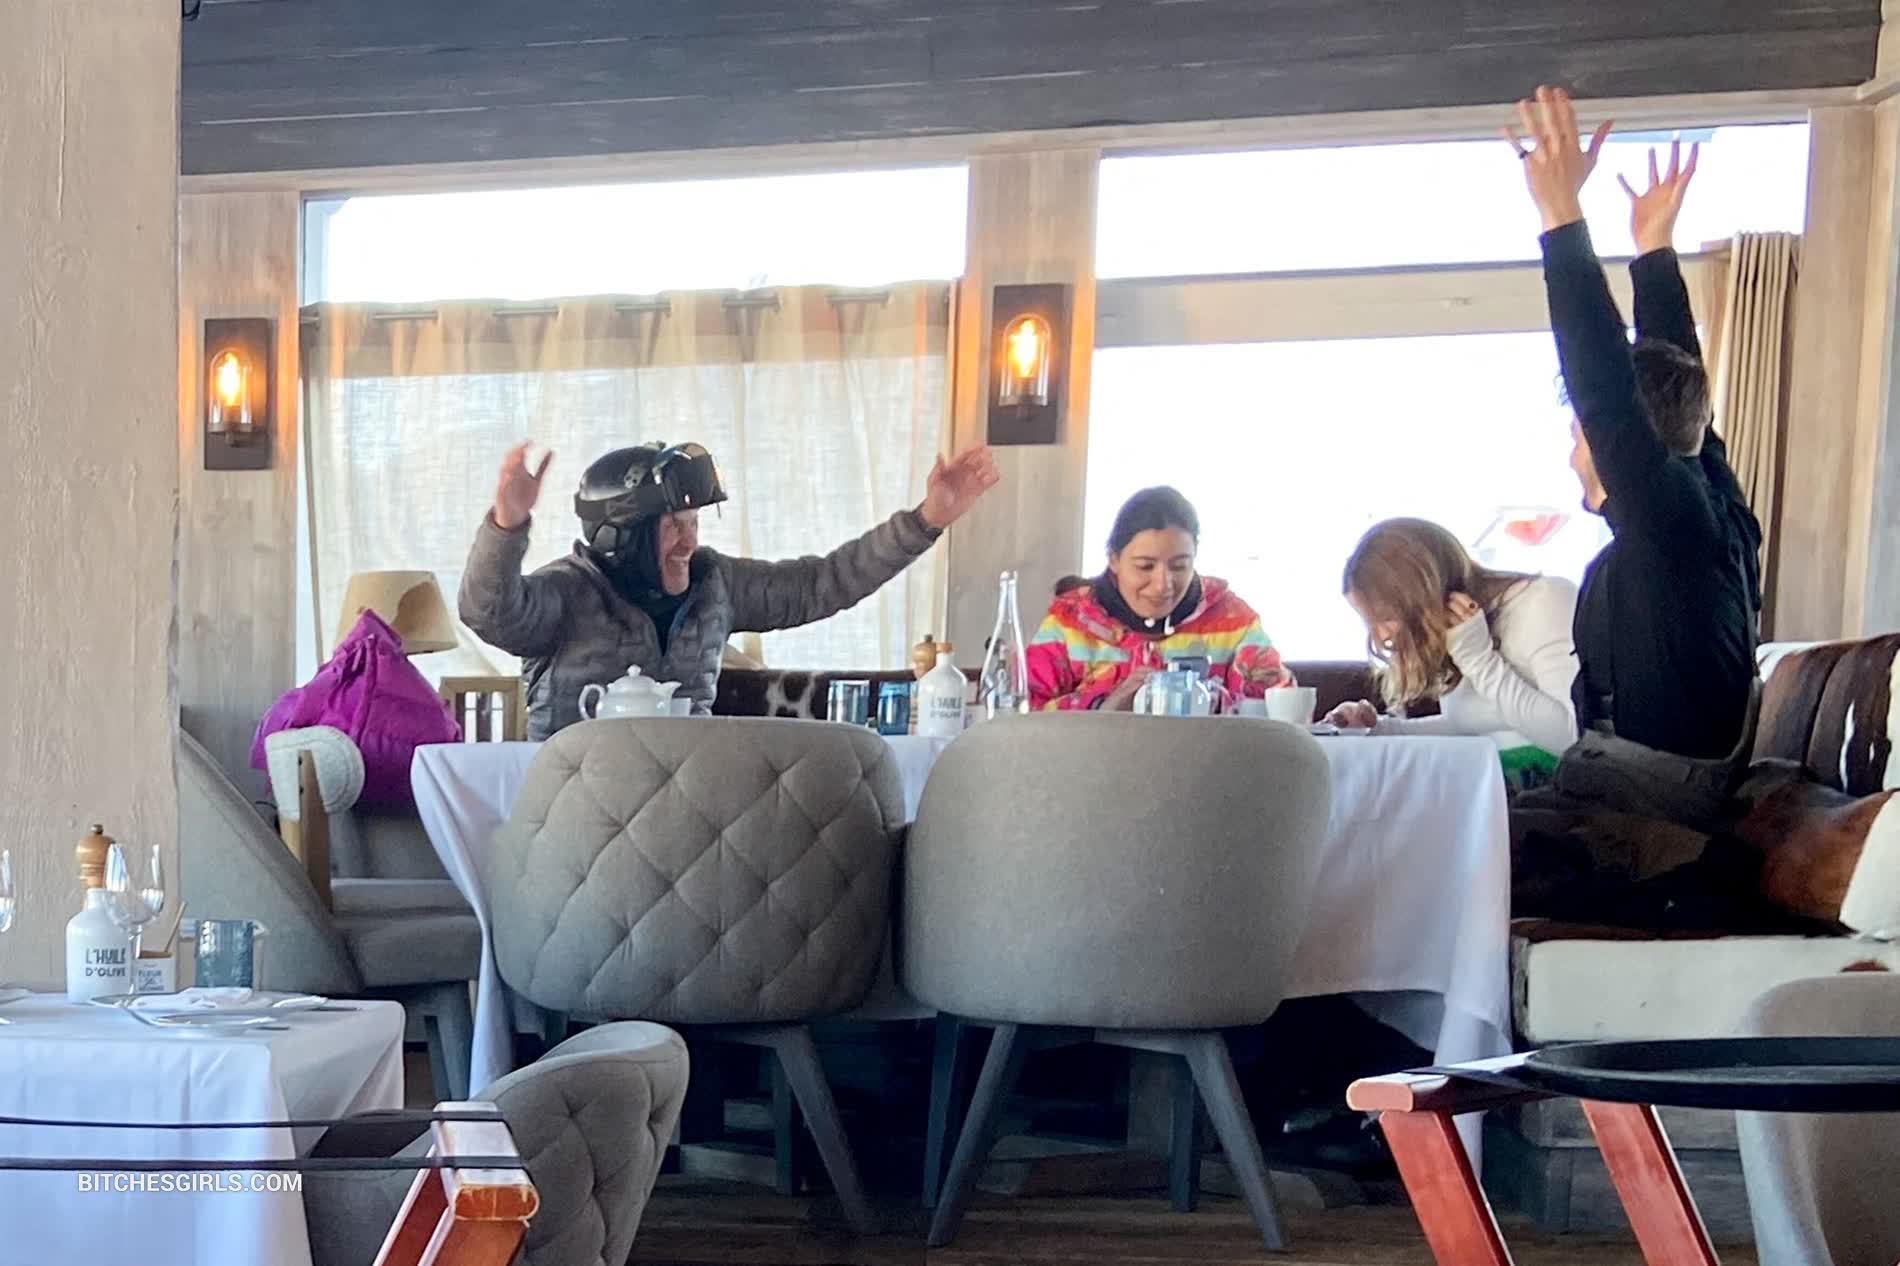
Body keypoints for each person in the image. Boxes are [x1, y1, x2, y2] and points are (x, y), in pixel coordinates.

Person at [1505, 87, 1773, 929]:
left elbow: (1609, 385)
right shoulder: (1708, 501)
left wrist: (1561, 218)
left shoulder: (1675, 527)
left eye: (1583, 436)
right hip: (1620, 788)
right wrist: (1653, 251)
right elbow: (1676, 384)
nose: (1576, 450)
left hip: (1646, 812)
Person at [460, 439, 1000, 739]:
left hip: (689, 809)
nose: (689, 541)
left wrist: (927, 519)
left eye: (694, 522)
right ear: (619, 535)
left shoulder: (716, 583)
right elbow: (487, 611)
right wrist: (507, 526)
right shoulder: (566, 594)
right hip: (574, 811)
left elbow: (823, 583)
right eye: (672, 525)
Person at [1327, 519, 1578, 787]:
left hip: (1555, 796)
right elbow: (1470, 725)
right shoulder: (1455, 628)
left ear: (1421, 594)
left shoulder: (1545, 601)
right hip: (1490, 792)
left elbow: (1571, 737)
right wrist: (1379, 730)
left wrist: (1479, 661)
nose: (1383, 636)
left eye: (1385, 617)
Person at [1026, 486, 1293, 711]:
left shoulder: (1233, 621)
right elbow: (1023, 718)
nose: (1163, 585)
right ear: (1113, 559)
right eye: (1145, 566)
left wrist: (1211, 702)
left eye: (1179, 566)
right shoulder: (1068, 624)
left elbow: (1281, 709)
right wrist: (1103, 707)